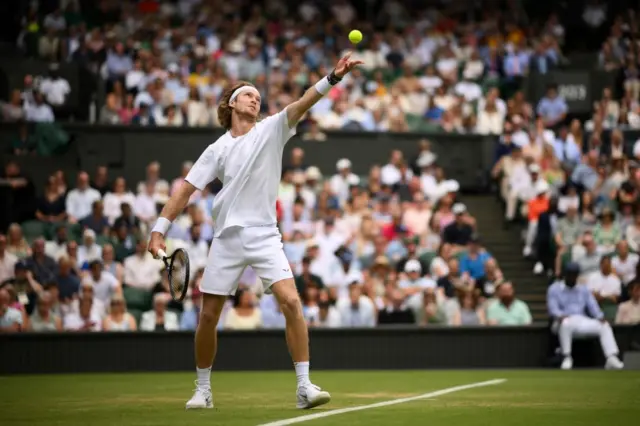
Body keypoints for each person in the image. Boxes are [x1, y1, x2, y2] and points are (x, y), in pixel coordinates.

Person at [148, 53, 362, 410]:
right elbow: (185, 190)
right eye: (248, 95)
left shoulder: (272, 128)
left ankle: (304, 387)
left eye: (257, 96)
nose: (255, 98)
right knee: (209, 316)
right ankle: (203, 390)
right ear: (232, 104)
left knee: (292, 302)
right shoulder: (216, 149)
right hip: (227, 238)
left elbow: (304, 101)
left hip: (265, 234)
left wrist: (333, 77)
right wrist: (159, 230)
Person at [547, 262, 624, 370]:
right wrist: (560, 316)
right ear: (565, 274)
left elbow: (592, 306)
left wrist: (600, 316)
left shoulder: (584, 289)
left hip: (581, 319)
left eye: (574, 274)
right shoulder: (554, 289)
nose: (572, 277)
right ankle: (566, 357)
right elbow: (553, 308)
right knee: (565, 323)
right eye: (570, 274)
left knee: (604, 326)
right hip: (560, 322)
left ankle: (611, 358)